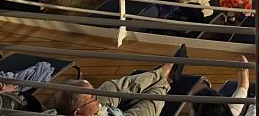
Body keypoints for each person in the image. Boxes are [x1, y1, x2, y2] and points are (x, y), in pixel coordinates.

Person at [50, 47, 187, 116]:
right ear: (77, 113)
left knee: (110, 86)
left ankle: (160, 73)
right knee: (149, 105)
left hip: (101, 110)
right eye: (93, 97)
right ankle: (165, 82)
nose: (96, 97)